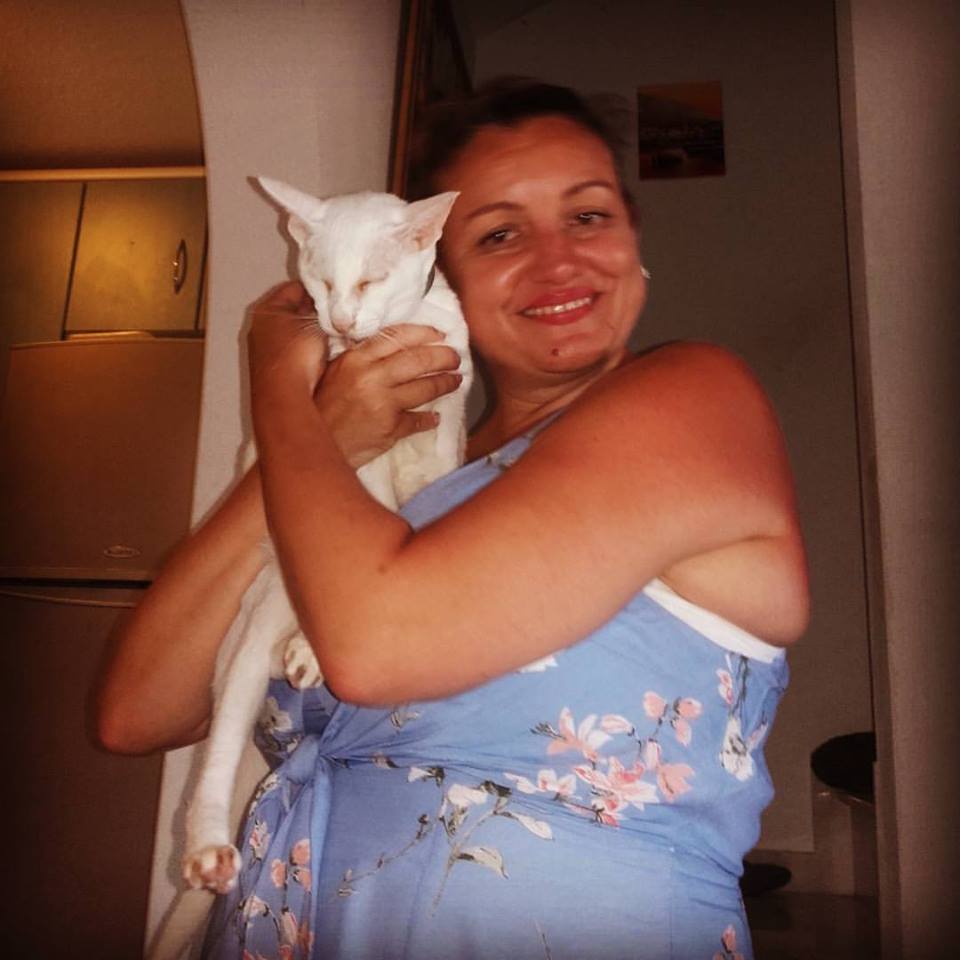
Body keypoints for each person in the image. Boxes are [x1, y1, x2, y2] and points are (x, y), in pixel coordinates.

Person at [98, 80, 808, 960]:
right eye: (500, 234)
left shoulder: (694, 400)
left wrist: (280, 388)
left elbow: (372, 651)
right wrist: (324, 436)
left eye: (588, 216)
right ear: (444, 269)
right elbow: (136, 712)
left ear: (632, 238)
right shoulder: (396, 485)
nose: (557, 261)